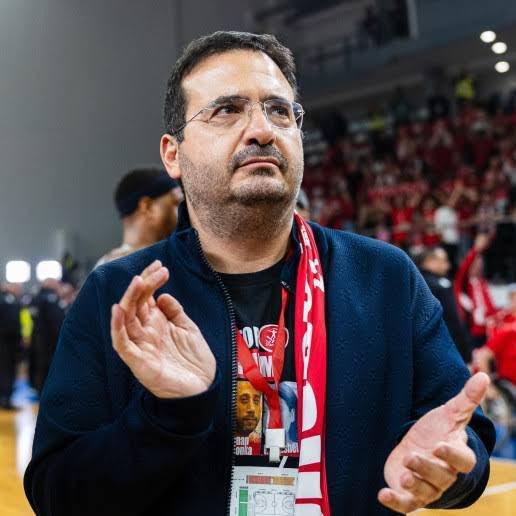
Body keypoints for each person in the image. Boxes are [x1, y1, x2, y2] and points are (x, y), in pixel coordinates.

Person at [25, 31, 495, 516]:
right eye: (227, 110)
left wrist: (450, 470)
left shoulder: (385, 279)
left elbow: (463, 438)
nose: (262, 130)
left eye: (279, 110)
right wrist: (168, 415)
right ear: (173, 155)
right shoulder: (118, 295)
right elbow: (56, 492)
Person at [95, 167, 183, 266]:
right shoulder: (129, 268)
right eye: (176, 203)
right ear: (147, 207)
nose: (184, 211)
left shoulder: (104, 266)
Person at [416, 247, 472, 363]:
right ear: (429, 262)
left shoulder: (415, 282)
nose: (448, 266)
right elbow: (453, 318)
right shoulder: (440, 285)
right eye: (443, 261)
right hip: (446, 346)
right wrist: (466, 351)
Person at [454, 233, 499, 348]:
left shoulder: (482, 283)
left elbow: (489, 304)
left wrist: (495, 316)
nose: (479, 265)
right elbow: (464, 269)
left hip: (486, 329)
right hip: (471, 330)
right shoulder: (463, 283)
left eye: (480, 262)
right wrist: (476, 249)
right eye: (475, 263)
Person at [0, 282, 21, 410]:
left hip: (7, 341)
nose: (19, 290)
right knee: (7, 370)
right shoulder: (7, 301)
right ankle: (6, 399)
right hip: (6, 342)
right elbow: (12, 323)